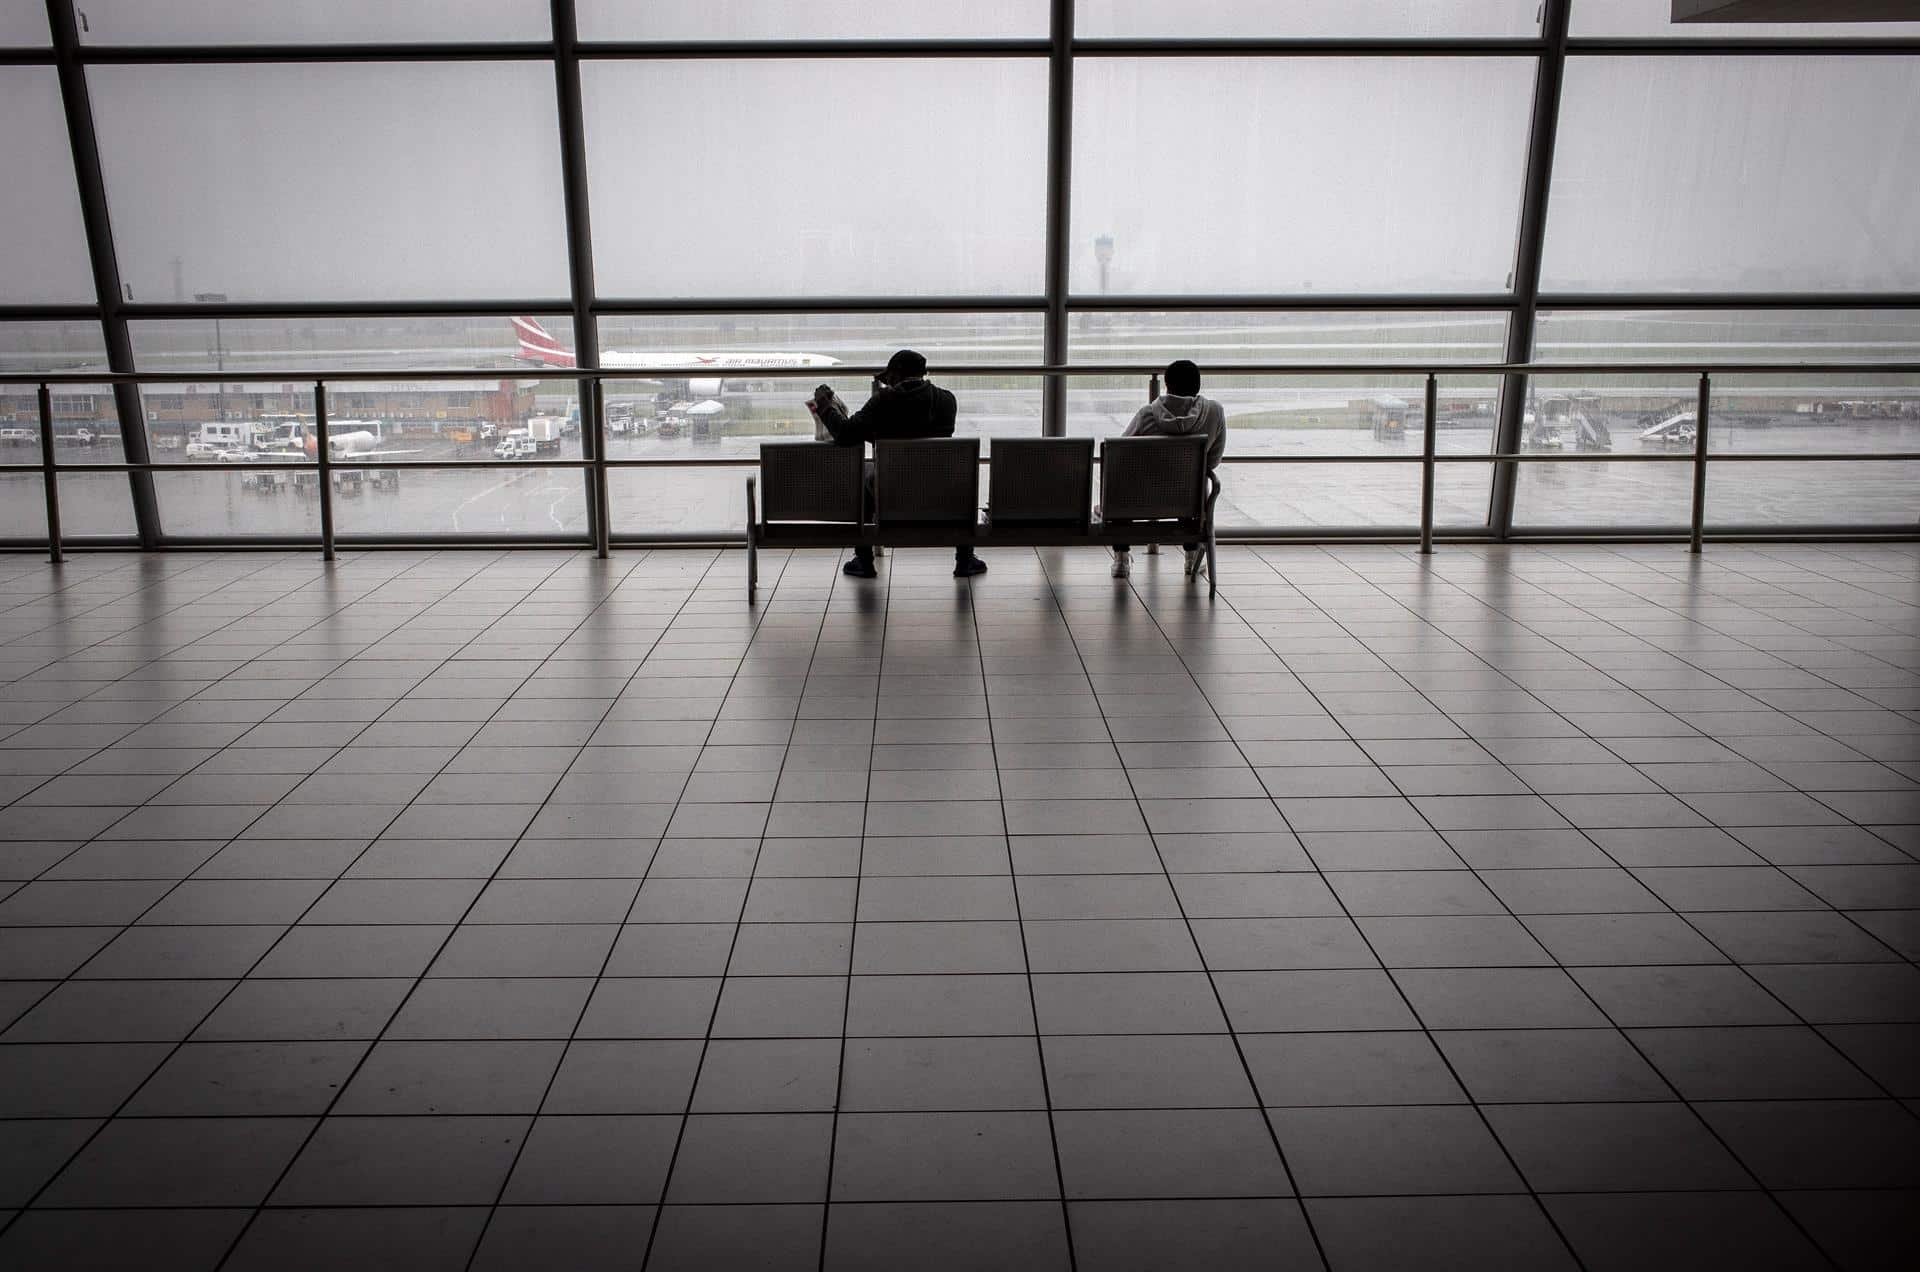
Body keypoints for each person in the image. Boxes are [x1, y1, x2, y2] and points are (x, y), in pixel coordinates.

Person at [811, 350, 987, 579]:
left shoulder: (883, 402)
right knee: (963, 477)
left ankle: (863, 559)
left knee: (861, 473)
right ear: (924, 374)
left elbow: (845, 434)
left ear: (894, 376)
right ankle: (965, 558)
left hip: (892, 490)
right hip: (938, 489)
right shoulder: (947, 400)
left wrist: (825, 406)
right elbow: (923, 431)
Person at [1110, 359, 1226, 580]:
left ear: (1167, 385)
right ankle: (1191, 557)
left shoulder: (1147, 415)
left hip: (1141, 501)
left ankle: (1122, 559)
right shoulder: (1214, 413)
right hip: (1189, 502)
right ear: (1198, 386)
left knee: (1119, 484)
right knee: (1190, 484)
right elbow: (1213, 461)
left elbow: (1120, 454)